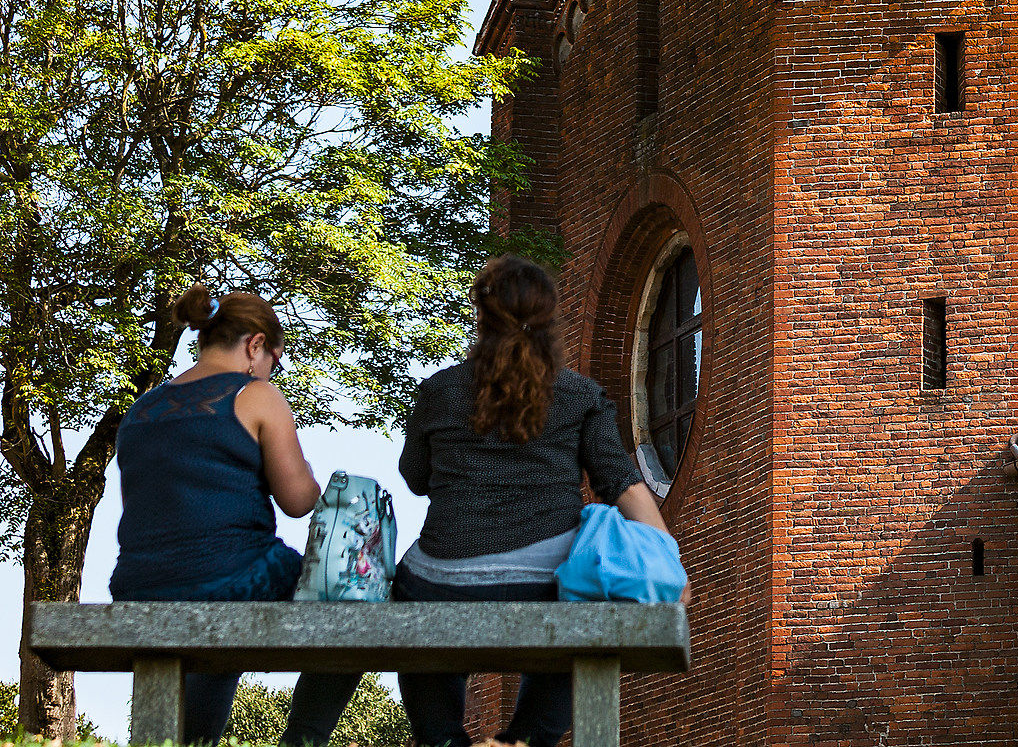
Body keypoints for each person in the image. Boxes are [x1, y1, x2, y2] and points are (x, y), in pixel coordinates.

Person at [396, 255, 672, 747]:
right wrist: (670, 567)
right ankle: (527, 739)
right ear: (550, 320)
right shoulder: (580, 395)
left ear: (481, 317)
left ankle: (441, 738)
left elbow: (415, 478)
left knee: (408, 592)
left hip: (445, 580)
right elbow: (624, 485)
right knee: (584, 595)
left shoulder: (438, 391)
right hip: (544, 584)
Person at [110, 286, 362, 747]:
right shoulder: (256, 395)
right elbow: (299, 501)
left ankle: (191, 740)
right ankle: (304, 739)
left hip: (139, 583)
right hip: (229, 576)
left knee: (218, 596)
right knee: (355, 594)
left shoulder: (141, 410)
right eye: (275, 360)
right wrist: (305, 471)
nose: (272, 371)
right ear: (255, 345)